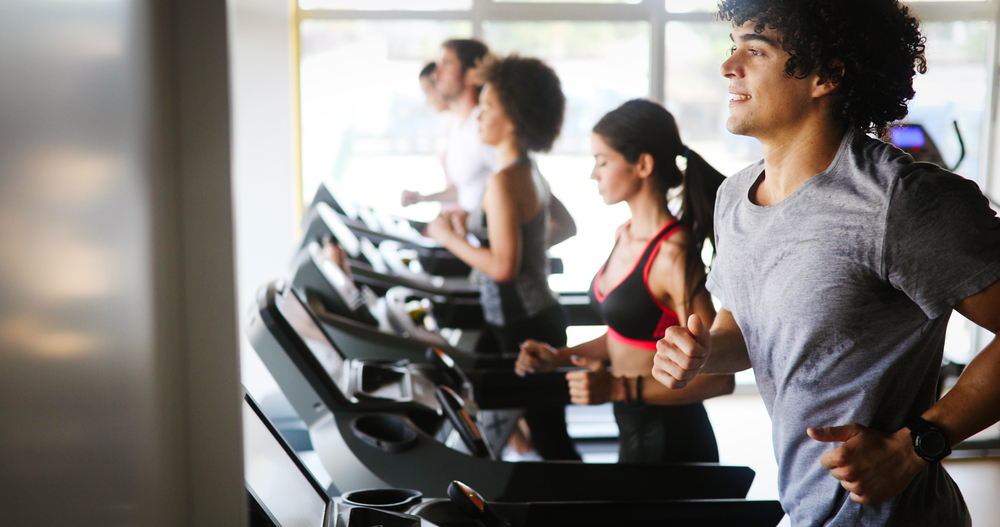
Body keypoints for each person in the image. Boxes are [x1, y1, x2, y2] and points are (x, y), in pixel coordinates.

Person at [653, 0, 1000, 525]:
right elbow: (752, 329)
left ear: (827, 75)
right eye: (733, 48)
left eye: (756, 50)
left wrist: (917, 445)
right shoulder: (735, 197)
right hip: (804, 510)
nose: (729, 67)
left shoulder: (898, 200)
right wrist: (703, 353)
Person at [514, 99, 735, 464]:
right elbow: (626, 334)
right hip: (633, 426)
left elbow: (719, 376)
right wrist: (561, 357)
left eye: (602, 161)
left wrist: (619, 388)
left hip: (672, 441)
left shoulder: (673, 254)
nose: (593, 174)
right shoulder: (625, 233)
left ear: (643, 165)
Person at [425, 54, 580, 461]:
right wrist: (481, 236)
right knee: (535, 430)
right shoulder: (526, 170)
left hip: (523, 322)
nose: (479, 116)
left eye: (488, 107)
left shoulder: (502, 181)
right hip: (526, 316)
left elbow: (502, 267)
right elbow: (563, 227)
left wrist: (446, 236)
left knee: (551, 438)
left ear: (510, 119)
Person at [402, 40, 496, 213]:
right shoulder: (459, 126)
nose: (435, 75)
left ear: (470, 75)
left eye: (445, 65)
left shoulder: (485, 128)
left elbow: (517, 185)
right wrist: (422, 198)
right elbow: (466, 189)